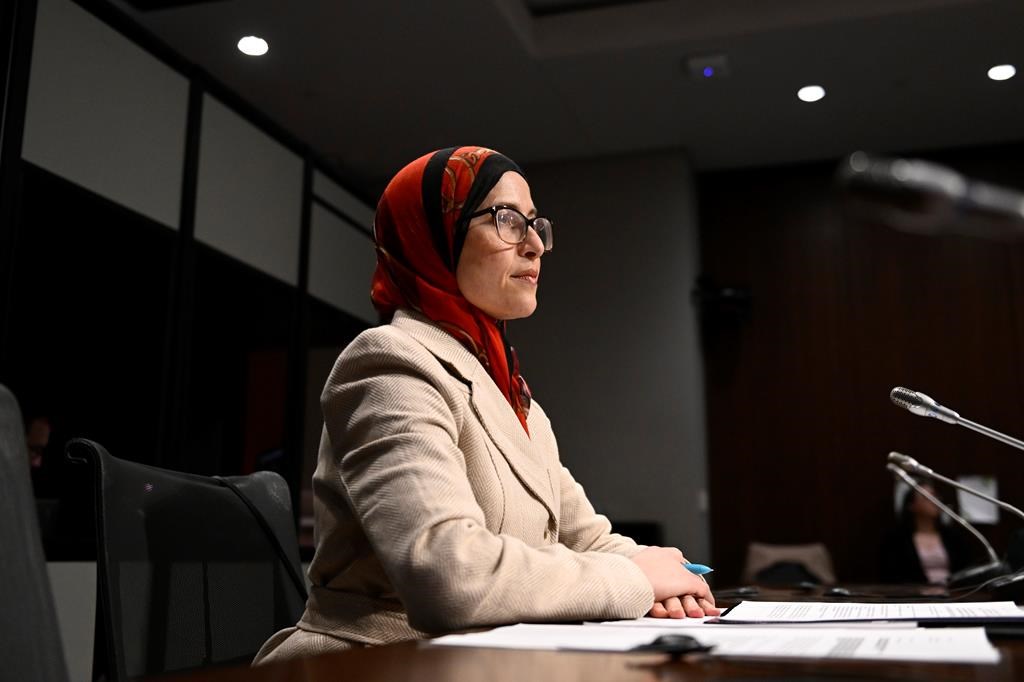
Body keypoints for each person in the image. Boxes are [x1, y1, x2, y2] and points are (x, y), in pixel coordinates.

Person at [255, 146, 716, 664]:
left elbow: (587, 538)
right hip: (368, 662)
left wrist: (665, 571)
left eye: (535, 224)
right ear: (435, 236)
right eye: (507, 220)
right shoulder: (388, 360)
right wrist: (635, 579)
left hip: (478, 658)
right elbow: (449, 575)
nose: (535, 245)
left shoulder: (516, 399)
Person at [880, 480, 973, 584]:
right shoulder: (898, 539)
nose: (934, 501)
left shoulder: (952, 536)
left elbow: (965, 570)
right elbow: (893, 574)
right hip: (914, 592)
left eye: (935, 496)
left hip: (952, 591)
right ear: (911, 505)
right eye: (926, 498)